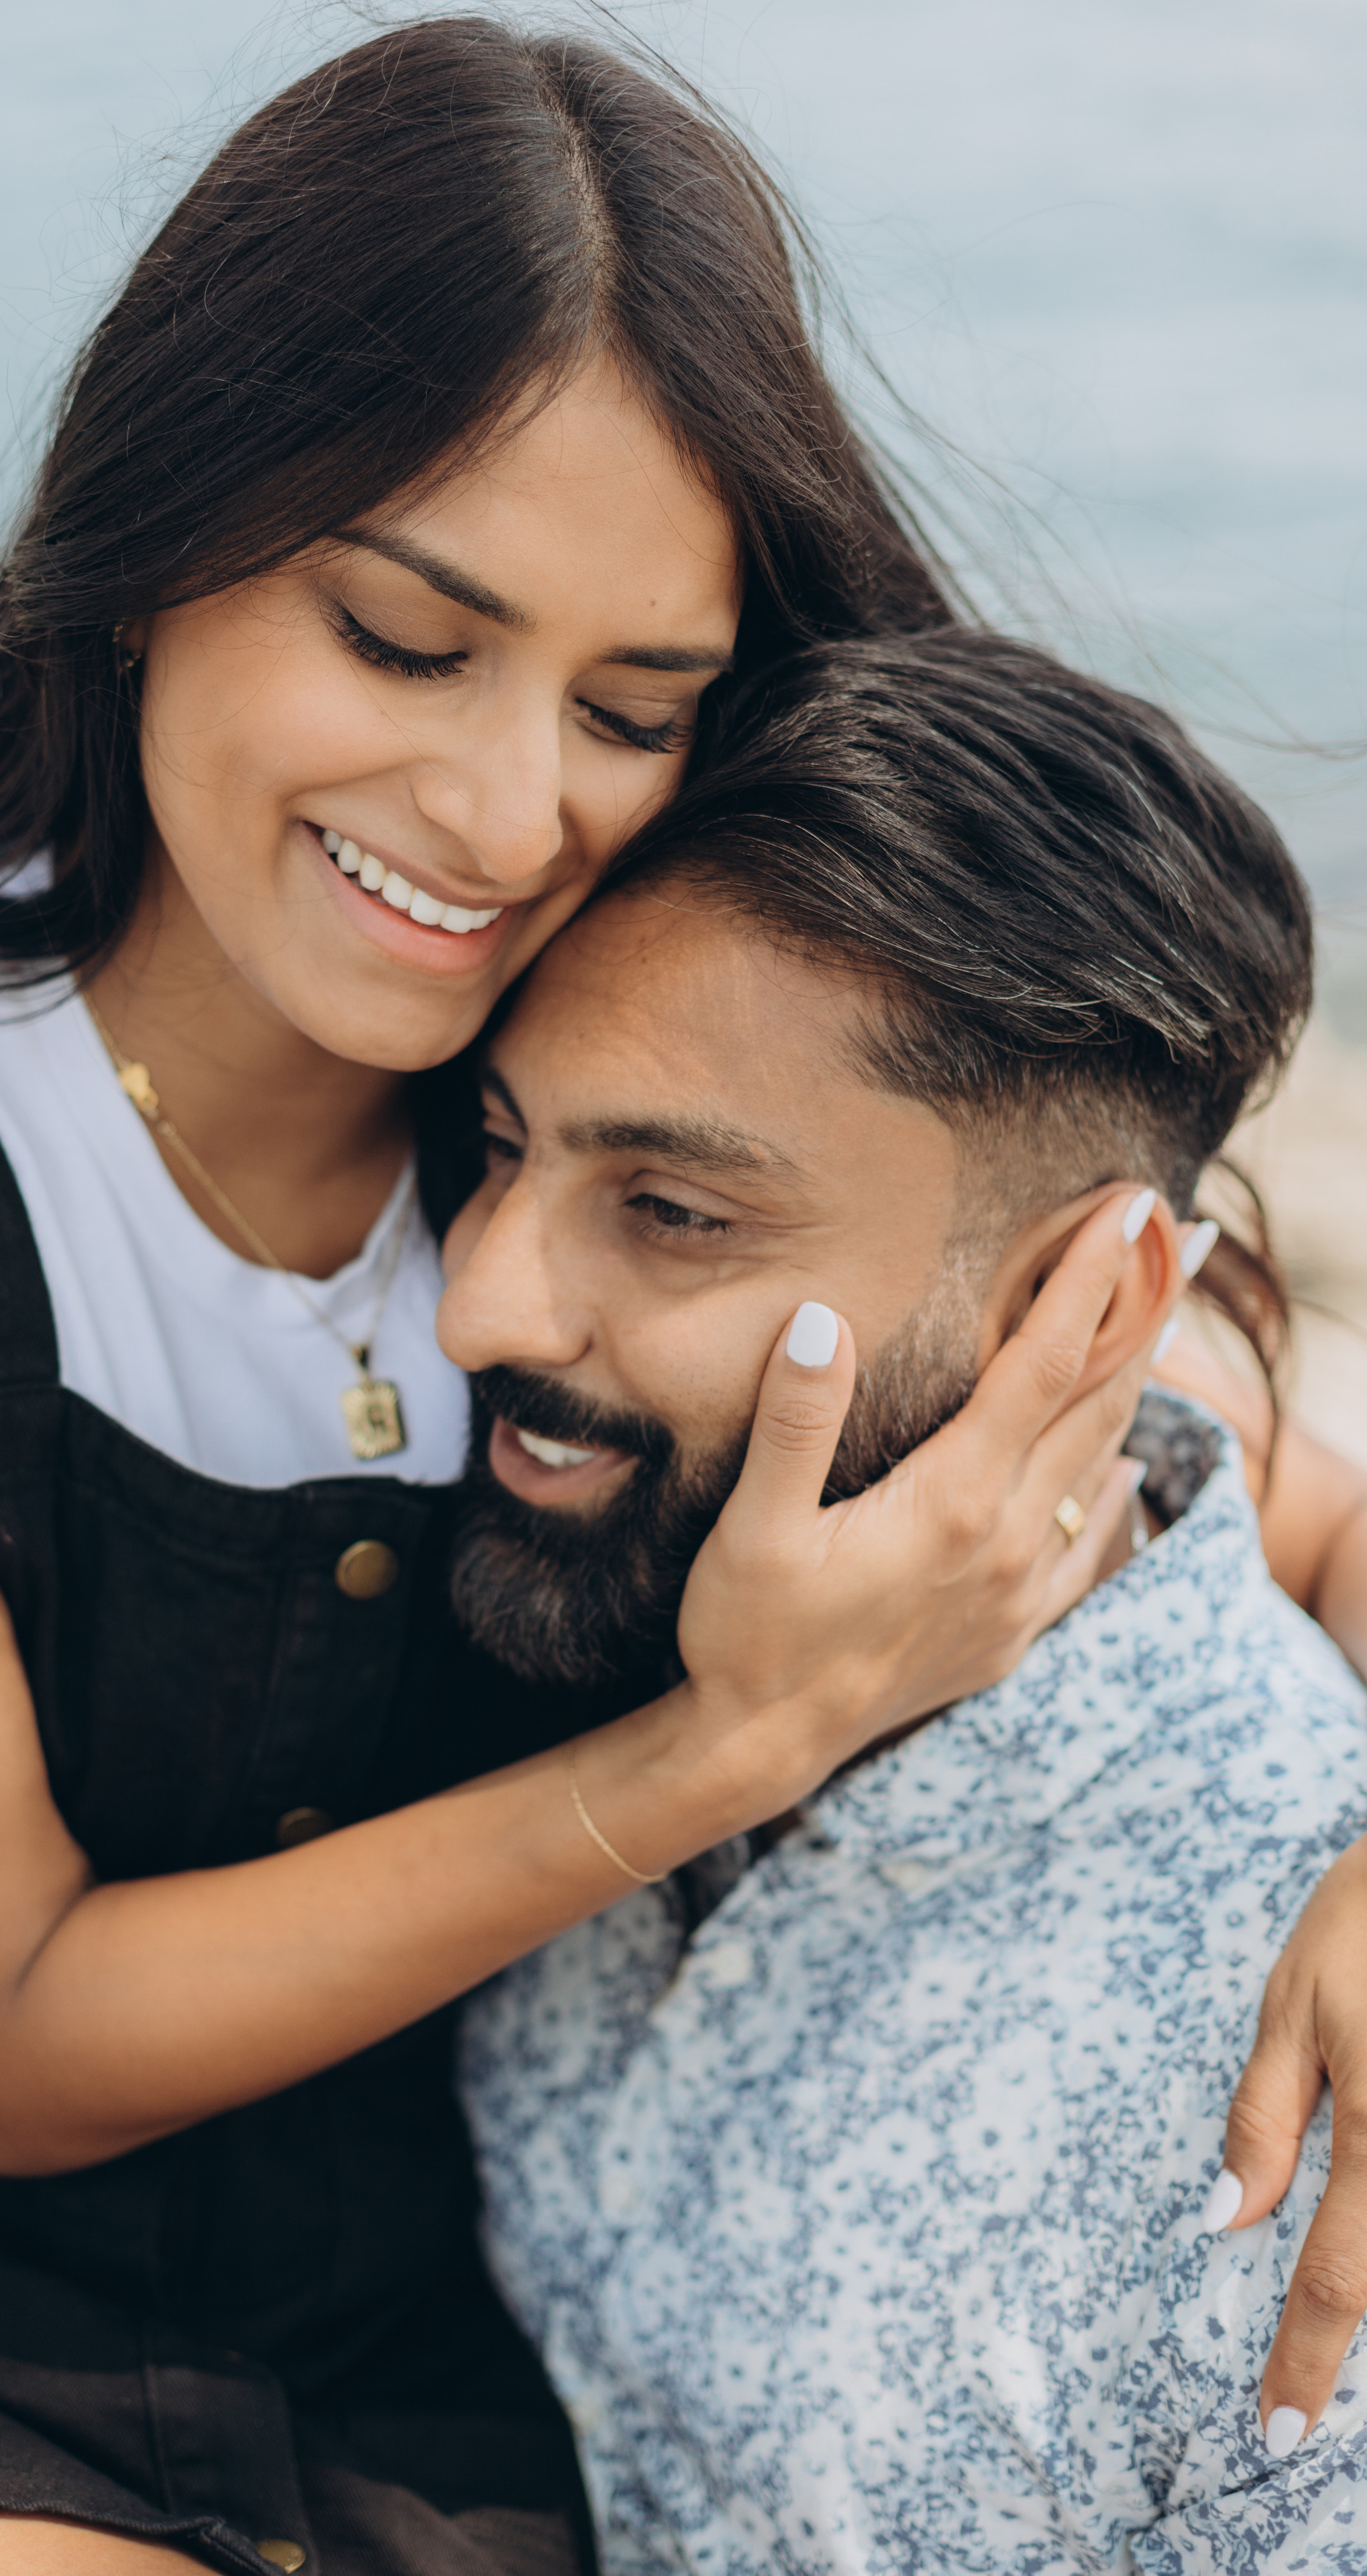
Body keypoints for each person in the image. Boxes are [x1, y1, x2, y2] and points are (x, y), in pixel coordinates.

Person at [0, 25, 1195, 2576]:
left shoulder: (664, 1141)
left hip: (459, 2370)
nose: (506, 817)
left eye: (633, 713)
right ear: (150, 547)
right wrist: (723, 1742)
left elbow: (1249, 1423)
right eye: (398, 638)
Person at [451, 629, 1367, 2570]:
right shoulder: (576, 1603)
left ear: (1091, 1312)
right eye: (499, 1146)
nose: (478, 1310)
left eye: (675, 1212)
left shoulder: (1294, 2096)